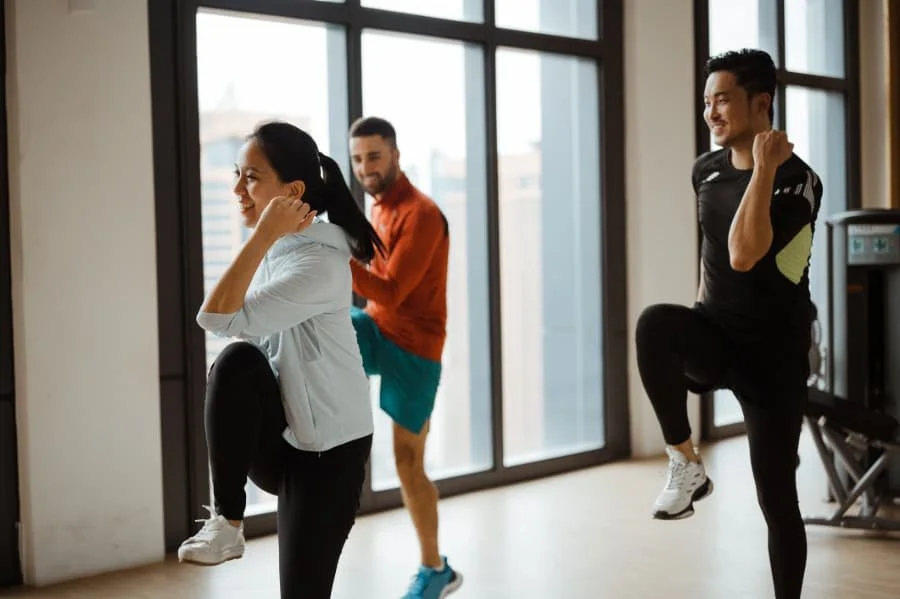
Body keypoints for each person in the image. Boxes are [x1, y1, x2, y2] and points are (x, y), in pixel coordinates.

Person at [635, 49, 822, 599]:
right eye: (706, 101)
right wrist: (699, 314)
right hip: (716, 333)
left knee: (777, 501)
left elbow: (745, 253)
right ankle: (685, 463)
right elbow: (713, 258)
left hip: (774, 357)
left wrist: (762, 167)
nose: (711, 112)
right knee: (654, 326)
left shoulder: (797, 182)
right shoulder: (706, 170)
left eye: (723, 100)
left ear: (760, 104)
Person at [177, 121, 384, 599]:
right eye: (237, 174)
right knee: (235, 365)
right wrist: (269, 235)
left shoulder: (317, 264)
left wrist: (265, 231)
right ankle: (227, 522)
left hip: (330, 455)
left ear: (291, 191)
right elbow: (228, 326)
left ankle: (231, 524)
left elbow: (214, 317)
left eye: (251, 177)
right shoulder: (281, 252)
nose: (237, 189)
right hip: (286, 437)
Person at [346, 116, 462, 599]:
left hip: (415, 348)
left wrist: (338, 261)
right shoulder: (377, 209)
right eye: (357, 159)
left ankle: (435, 568)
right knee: (325, 335)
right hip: (376, 329)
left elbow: (392, 290)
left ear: (394, 154)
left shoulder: (422, 213)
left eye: (373, 156)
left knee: (407, 462)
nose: (365, 167)